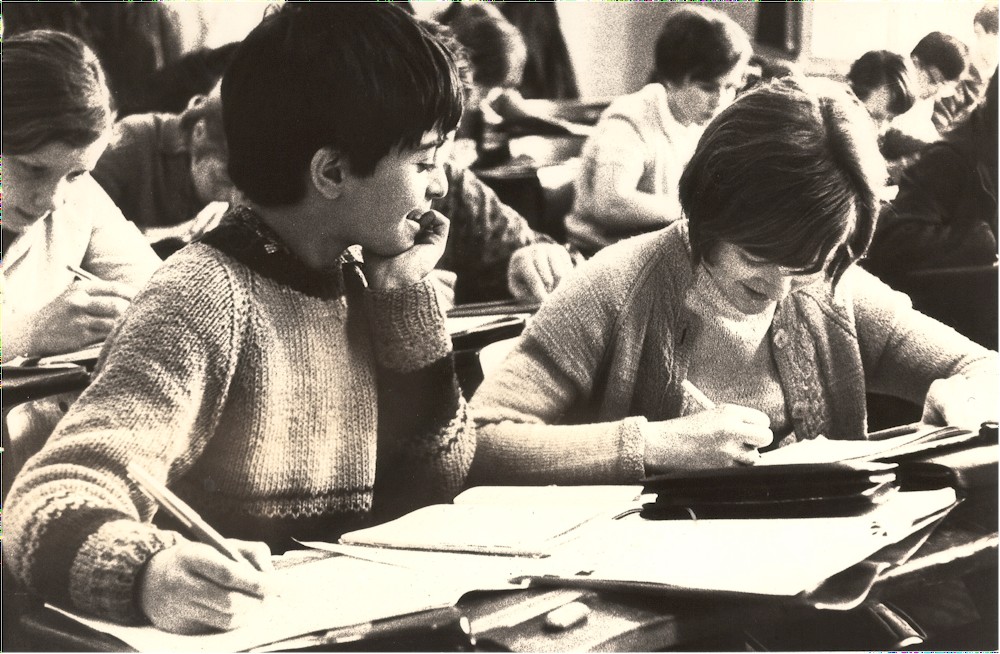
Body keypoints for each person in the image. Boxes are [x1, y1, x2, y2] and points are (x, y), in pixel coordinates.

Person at [5, 4, 475, 635]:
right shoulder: (205, 299)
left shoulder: (365, 282)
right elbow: (44, 501)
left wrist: (404, 294)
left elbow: (440, 475)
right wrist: (147, 573)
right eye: (423, 161)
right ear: (332, 172)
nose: (440, 185)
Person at [467, 76, 997, 485]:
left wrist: (968, 397)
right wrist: (655, 446)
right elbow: (480, 444)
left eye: (808, 263)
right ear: (709, 215)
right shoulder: (614, 287)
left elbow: (982, 367)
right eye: (758, 258)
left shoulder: (831, 288)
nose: (782, 290)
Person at [1, 30, 163, 497]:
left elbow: (160, 291)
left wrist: (130, 313)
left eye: (76, 172)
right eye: (32, 168)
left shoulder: (74, 197)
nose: (51, 199)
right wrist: (29, 332)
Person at [565, 6, 752, 255]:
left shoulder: (702, 123)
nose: (719, 100)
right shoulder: (629, 119)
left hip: (652, 250)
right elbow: (609, 203)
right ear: (672, 78)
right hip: (597, 252)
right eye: (708, 87)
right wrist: (696, 210)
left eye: (730, 87)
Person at [91, 82, 236, 257]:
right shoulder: (135, 139)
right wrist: (181, 234)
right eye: (225, 179)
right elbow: (78, 227)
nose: (233, 195)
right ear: (199, 132)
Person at [883, 31, 970, 176]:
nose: (935, 95)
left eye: (943, 87)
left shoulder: (923, 103)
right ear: (914, 64)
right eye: (932, 81)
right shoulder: (883, 89)